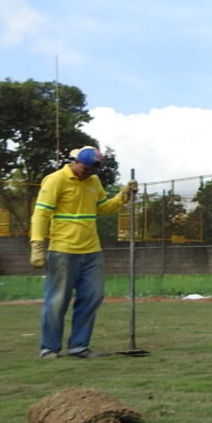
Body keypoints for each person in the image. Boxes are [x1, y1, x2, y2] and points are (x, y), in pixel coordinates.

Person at [29, 146, 136, 358]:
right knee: (57, 301)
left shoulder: (93, 181)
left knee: (93, 296)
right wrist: (37, 246)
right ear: (76, 162)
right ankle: (49, 347)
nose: (88, 174)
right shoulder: (55, 180)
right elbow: (41, 214)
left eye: (92, 172)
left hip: (91, 250)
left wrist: (123, 196)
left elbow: (103, 207)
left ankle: (79, 346)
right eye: (85, 170)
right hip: (62, 250)